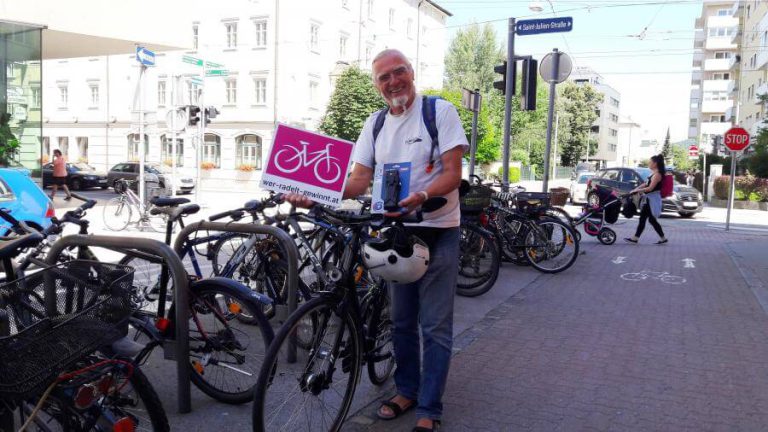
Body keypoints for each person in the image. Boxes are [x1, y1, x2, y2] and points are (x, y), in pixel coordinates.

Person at [285, 49, 467, 431]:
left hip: (437, 229)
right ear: (377, 85)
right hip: (395, 233)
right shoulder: (375, 123)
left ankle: (429, 408)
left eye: (398, 72)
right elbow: (358, 180)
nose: (393, 81)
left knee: (434, 326)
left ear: (412, 73)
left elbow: (453, 174)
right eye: (384, 77)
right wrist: (315, 191)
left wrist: (422, 195)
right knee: (401, 321)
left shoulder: (439, 113)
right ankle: (406, 390)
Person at [625, 154, 667, 244]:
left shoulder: (657, 175)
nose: (649, 163)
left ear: (655, 164)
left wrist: (638, 190)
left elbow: (650, 188)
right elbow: (645, 184)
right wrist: (635, 189)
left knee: (644, 218)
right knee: (650, 220)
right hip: (649, 199)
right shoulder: (653, 174)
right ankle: (663, 238)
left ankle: (635, 238)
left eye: (650, 162)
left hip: (651, 200)